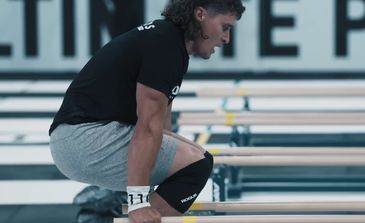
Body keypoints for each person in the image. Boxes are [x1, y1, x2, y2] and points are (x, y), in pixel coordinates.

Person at [49, 0, 245, 223]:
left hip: (81, 137)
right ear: (200, 14)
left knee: (194, 155)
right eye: (225, 27)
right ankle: (123, 201)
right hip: (82, 140)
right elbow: (149, 129)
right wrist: (139, 203)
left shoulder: (168, 40)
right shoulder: (166, 46)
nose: (226, 39)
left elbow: (161, 129)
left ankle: (112, 199)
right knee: (197, 165)